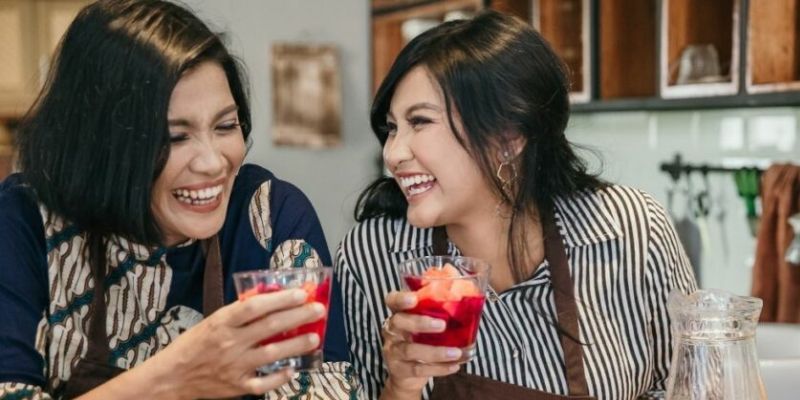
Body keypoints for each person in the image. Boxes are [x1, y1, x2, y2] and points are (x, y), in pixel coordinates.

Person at [0, 1, 355, 399]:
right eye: (174, 136)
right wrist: (173, 374)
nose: (212, 162)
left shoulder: (269, 218)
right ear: (99, 143)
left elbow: (322, 389)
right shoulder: (25, 220)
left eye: (225, 125)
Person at [335, 10, 697, 400]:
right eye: (392, 128)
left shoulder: (631, 228)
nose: (393, 152)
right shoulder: (371, 258)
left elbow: (696, 387)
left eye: (420, 122)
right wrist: (400, 386)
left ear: (509, 136)